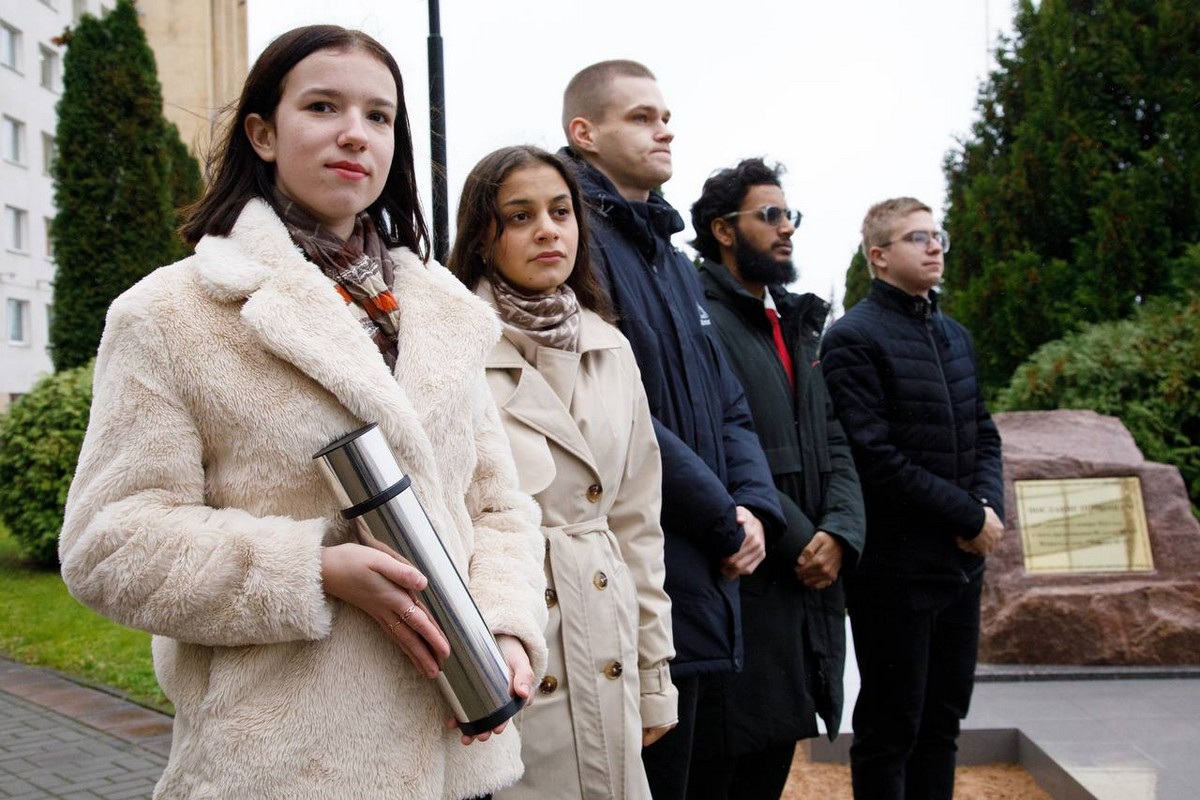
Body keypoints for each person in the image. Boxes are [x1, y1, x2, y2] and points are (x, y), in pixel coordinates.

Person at [58, 25, 548, 800]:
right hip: (285, 766)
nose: (355, 133)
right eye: (323, 107)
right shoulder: (170, 313)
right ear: (262, 133)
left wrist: (508, 627)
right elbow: (107, 543)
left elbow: (496, 505)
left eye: (379, 116)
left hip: (458, 752)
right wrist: (312, 570)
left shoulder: (444, 312)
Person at [559, 60, 784, 800]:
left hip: (707, 567)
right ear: (584, 132)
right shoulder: (575, 242)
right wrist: (723, 518)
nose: (665, 130)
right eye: (641, 117)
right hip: (635, 564)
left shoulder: (673, 259)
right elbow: (614, 409)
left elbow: (728, 399)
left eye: (665, 117)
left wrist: (755, 506)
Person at [448, 144, 678, 800]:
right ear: (482, 236)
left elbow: (638, 523)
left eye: (560, 211)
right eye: (520, 216)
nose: (548, 230)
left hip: (604, 631)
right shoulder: (453, 346)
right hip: (509, 639)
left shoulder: (612, 347)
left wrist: (654, 676)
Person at [687, 158, 866, 799]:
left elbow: (835, 437)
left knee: (773, 762)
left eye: (790, 215)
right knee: (726, 765)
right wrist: (801, 542)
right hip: (747, 574)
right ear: (723, 230)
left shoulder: (797, 320)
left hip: (809, 581)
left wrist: (841, 531)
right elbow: (717, 445)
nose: (786, 227)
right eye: (769, 215)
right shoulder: (696, 315)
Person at [820, 197, 1005, 800]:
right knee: (891, 725)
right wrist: (969, 515)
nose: (934, 247)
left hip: (960, 564)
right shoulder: (853, 337)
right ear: (878, 256)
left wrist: (987, 506)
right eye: (917, 237)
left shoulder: (955, 336)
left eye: (937, 235)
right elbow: (874, 458)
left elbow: (983, 432)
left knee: (943, 721)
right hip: (895, 569)